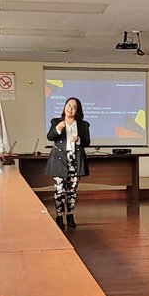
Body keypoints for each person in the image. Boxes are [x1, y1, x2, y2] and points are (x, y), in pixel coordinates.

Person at [46, 97, 91, 230]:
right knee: (59, 190)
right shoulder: (56, 122)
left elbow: (87, 142)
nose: (70, 108)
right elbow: (50, 137)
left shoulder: (83, 125)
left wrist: (78, 139)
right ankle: (59, 216)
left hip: (75, 160)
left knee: (71, 191)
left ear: (77, 111)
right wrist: (58, 129)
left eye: (73, 107)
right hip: (59, 159)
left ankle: (70, 215)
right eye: (68, 105)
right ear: (64, 107)